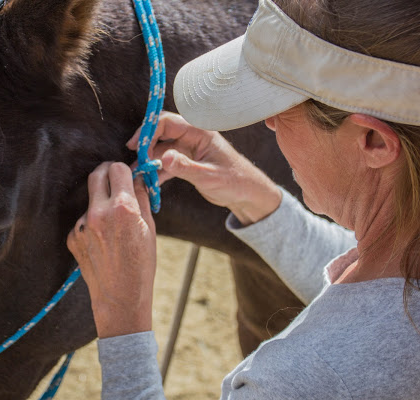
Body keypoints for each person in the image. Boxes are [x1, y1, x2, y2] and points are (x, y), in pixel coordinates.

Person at [66, 0, 420, 398]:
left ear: (373, 141)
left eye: (282, 105)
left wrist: (123, 316)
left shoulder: (299, 380)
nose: (268, 122)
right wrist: (257, 198)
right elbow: (374, 296)